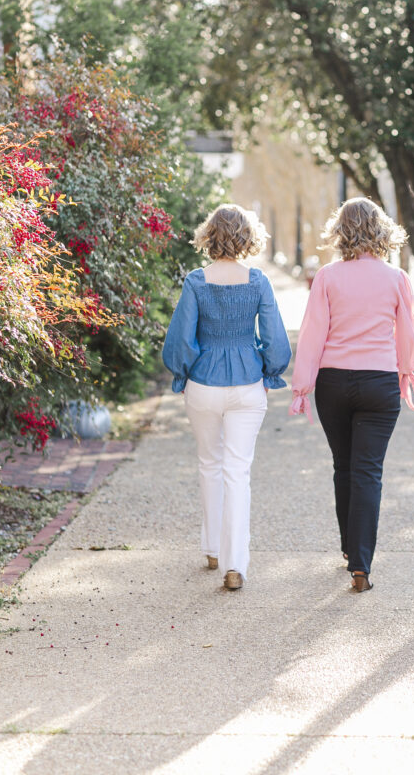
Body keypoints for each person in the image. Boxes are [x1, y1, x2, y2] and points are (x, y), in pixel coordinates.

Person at [290, 197, 414, 592]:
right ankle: (360, 565)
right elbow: (408, 335)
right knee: (368, 471)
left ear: (340, 232)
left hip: (333, 383)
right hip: (379, 384)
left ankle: (349, 549)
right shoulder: (396, 278)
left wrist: (302, 386)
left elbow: (313, 332)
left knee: (343, 466)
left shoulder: (328, 277)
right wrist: (406, 370)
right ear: (380, 231)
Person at [163, 204, 291, 591]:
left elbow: (181, 338)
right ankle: (234, 565)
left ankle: (212, 548)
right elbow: (274, 336)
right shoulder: (257, 282)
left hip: (203, 383)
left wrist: (181, 374)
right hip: (248, 384)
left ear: (208, 236)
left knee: (209, 463)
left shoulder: (196, 281)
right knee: (238, 471)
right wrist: (271, 371)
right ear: (247, 238)